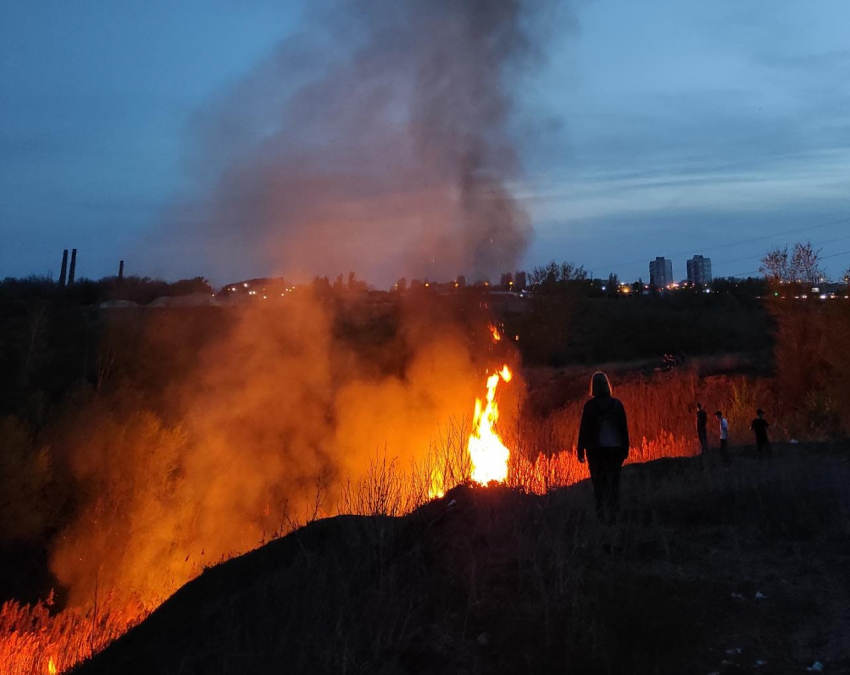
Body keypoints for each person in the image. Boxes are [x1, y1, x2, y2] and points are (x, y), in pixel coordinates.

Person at [577, 372, 630, 523]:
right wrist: (625, 449)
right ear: (607, 385)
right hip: (615, 451)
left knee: (599, 486)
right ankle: (614, 517)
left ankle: (601, 518)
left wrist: (580, 449)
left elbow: (584, 430)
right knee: (614, 485)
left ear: (593, 387)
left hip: (596, 452)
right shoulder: (617, 405)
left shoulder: (590, 407)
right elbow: (623, 429)